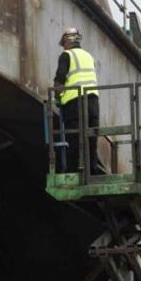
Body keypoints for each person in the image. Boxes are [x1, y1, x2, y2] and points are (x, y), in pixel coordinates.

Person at [55, 27, 101, 175]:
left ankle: (74, 172)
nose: (63, 46)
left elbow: (60, 80)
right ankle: (91, 171)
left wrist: (57, 97)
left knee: (74, 138)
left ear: (67, 40)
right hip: (93, 101)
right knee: (91, 138)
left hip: (75, 103)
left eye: (64, 43)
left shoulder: (66, 55)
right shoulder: (89, 56)